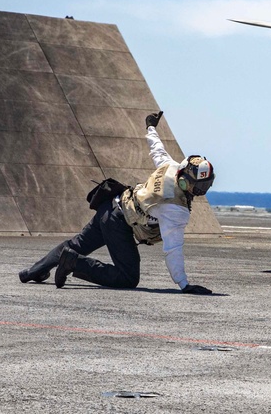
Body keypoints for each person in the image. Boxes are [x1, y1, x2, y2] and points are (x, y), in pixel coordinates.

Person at [18, 111, 215, 293]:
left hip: (112, 204)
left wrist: (150, 127)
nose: (200, 191)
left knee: (76, 243)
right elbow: (173, 248)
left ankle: (32, 272)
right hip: (119, 224)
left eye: (205, 186)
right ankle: (74, 263)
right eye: (199, 186)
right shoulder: (175, 208)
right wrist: (184, 284)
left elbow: (157, 149)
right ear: (184, 179)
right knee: (128, 278)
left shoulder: (170, 166)